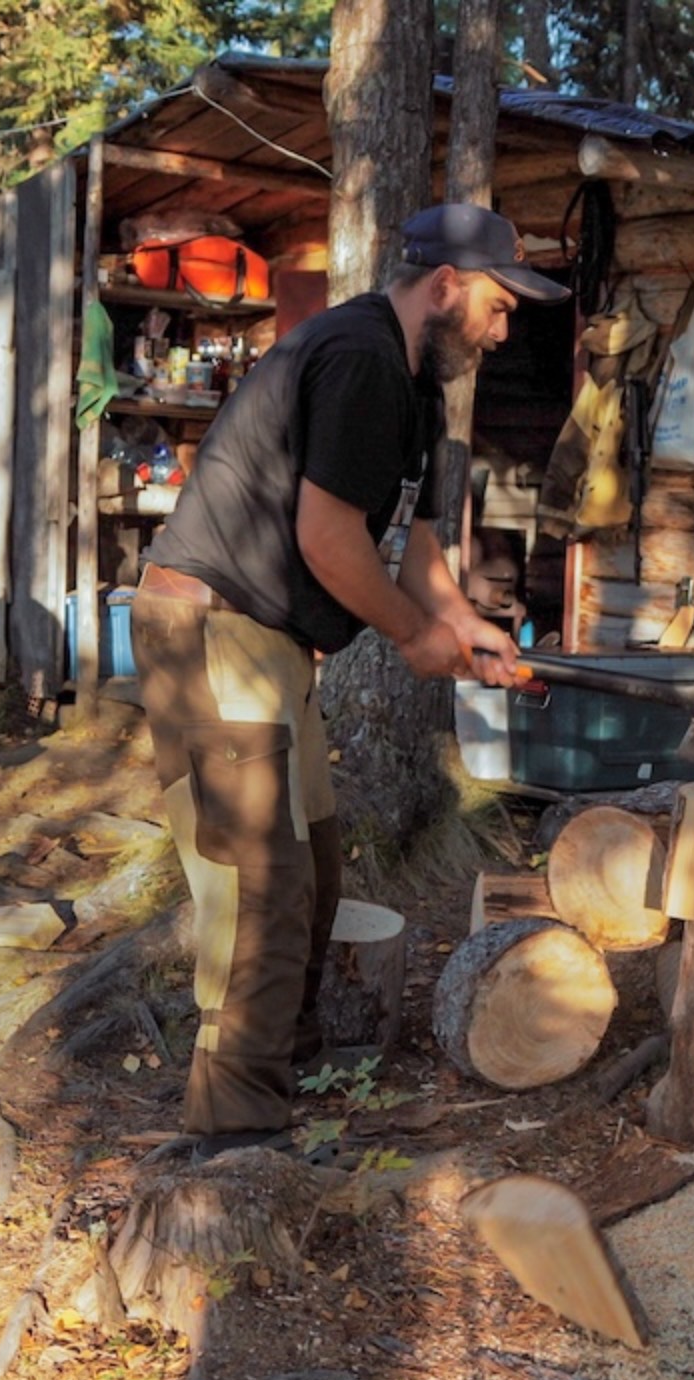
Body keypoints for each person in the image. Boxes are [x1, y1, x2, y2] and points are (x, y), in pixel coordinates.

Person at [132, 203, 570, 1155]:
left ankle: (283, 1069)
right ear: (445, 286)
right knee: (259, 884)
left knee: (317, 864)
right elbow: (328, 540)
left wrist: (467, 631)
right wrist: (415, 639)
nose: (504, 332)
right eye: (500, 307)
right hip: (212, 625)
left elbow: (413, 554)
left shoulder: (410, 389)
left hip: (272, 642)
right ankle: (236, 1138)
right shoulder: (363, 356)